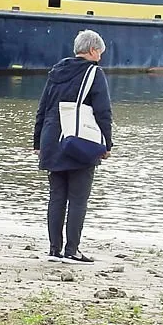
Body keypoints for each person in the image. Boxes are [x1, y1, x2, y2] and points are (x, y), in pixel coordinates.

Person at [32, 29, 114, 262]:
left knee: (57, 196)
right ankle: (72, 250)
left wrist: (38, 141)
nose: (100, 57)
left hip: (52, 140)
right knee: (78, 198)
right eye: (100, 52)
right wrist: (107, 143)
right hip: (80, 142)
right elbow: (103, 112)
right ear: (92, 50)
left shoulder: (56, 71)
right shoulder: (94, 73)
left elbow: (43, 108)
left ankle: (53, 249)